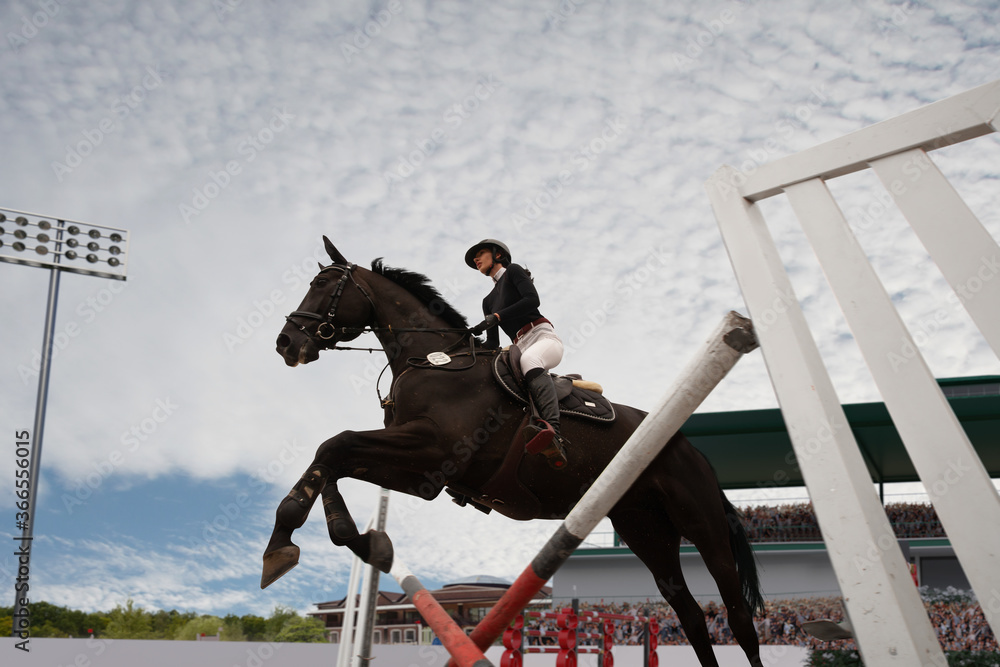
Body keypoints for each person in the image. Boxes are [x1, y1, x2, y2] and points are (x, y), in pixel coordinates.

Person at [465, 239, 568, 467]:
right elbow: (493, 344)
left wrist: (499, 317)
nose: (476, 259)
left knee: (531, 360)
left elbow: (533, 300)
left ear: (498, 255)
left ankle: (555, 434)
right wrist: (468, 342)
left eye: (480, 253)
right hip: (518, 347)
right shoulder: (487, 301)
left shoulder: (513, 271)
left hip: (542, 337)